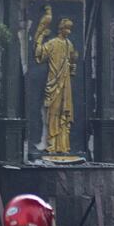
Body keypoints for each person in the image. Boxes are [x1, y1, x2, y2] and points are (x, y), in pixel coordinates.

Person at [35, 16, 79, 154]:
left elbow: (72, 61)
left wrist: (72, 66)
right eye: (67, 28)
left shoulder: (69, 44)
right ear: (61, 29)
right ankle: (52, 144)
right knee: (53, 112)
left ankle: (63, 145)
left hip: (65, 83)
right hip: (54, 82)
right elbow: (39, 54)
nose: (69, 31)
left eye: (70, 29)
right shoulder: (53, 43)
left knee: (64, 113)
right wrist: (40, 36)